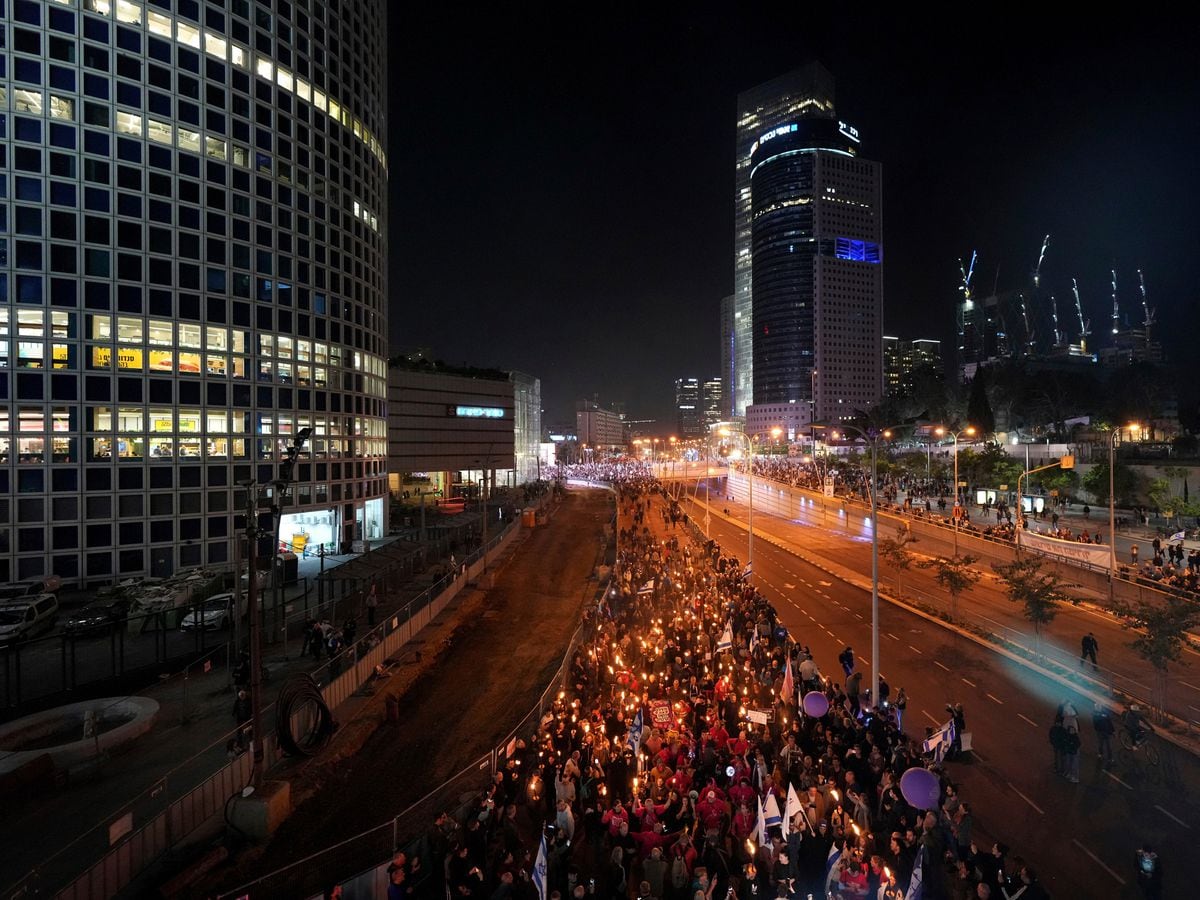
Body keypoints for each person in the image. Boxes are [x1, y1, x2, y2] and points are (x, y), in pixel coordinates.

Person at [1092, 703, 1116, 768]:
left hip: (1107, 732)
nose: (1099, 709)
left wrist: (1113, 731)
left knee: (1109, 747)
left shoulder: (1104, 714)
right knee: (1101, 744)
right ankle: (1101, 754)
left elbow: (1109, 722)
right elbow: (1095, 725)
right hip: (1101, 732)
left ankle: (1110, 758)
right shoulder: (1095, 715)